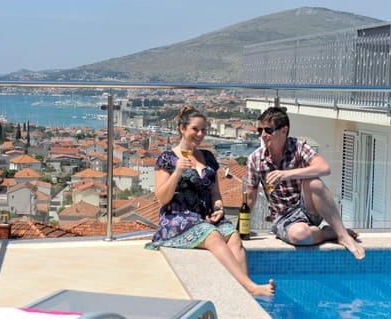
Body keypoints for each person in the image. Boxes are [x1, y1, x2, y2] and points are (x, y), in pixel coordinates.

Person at [145, 106, 275, 296]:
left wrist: (219, 207)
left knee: (233, 236)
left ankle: (242, 291)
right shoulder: (167, 159)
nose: (200, 134)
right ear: (182, 129)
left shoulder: (207, 157)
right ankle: (250, 286)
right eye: (195, 129)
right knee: (212, 235)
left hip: (205, 217)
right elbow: (162, 198)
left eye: (203, 130)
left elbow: (215, 192)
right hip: (177, 218)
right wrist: (178, 172)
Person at [246, 106, 365, 260]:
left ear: (284, 130)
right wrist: (239, 229)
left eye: (268, 130)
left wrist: (285, 174)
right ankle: (330, 232)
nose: (263, 135)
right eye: (260, 130)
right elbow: (250, 197)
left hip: (307, 209)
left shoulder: (298, 147)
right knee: (301, 235)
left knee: (313, 181)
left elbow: (324, 168)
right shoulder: (255, 159)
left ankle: (342, 236)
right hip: (283, 217)